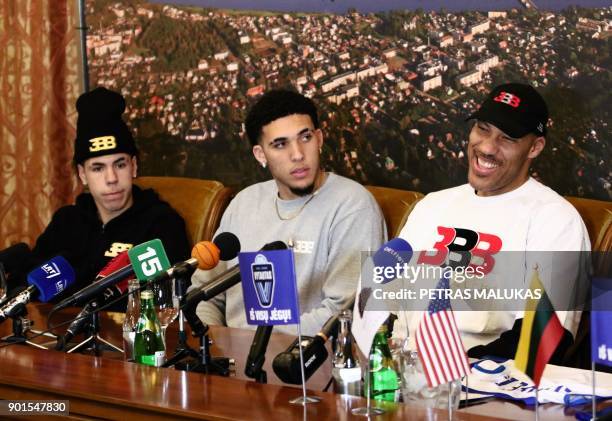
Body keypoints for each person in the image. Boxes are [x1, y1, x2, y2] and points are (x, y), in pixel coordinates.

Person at [394, 83, 590, 362]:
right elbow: (386, 299)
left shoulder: (556, 220)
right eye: (482, 128)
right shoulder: (432, 205)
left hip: (481, 386)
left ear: (534, 147)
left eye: (507, 138)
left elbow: (545, 336)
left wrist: (457, 370)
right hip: (402, 373)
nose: (486, 147)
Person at [191, 89, 386, 335]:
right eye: (280, 144)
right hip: (227, 360)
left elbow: (342, 313)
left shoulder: (353, 206)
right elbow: (204, 295)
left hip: (305, 363)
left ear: (320, 139)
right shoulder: (244, 203)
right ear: (260, 154)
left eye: (305, 138)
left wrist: (254, 347)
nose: (297, 155)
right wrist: (215, 347)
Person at [13, 87, 190, 307]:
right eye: (97, 168)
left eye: (120, 164)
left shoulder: (162, 225)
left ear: (134, 166)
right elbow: (29, 286)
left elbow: (162, 301)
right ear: (82, 174)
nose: (111, 178)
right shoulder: (66, 221)